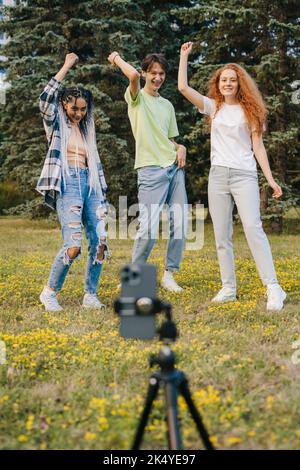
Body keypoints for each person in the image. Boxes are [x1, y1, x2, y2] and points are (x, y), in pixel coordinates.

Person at [178, 41, 286, 311]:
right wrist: (184, 57)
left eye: (232, 80)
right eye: (224, 80)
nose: (228, 83)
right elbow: (183, 88)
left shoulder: (251, 111)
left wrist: (270, 180)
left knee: (252, 227)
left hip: (244, 176)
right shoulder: (213, 107)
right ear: (218, 83)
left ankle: (274, 287)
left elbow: (258, 147)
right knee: (221, 235)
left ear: (240, 84)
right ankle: (228, 287)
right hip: (218, 177)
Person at [108, 51, 188, 292]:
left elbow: (168, 139)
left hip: (174, 168)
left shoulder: (167, 105)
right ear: (145, 73)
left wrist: (181, 146)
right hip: (150, 171)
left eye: (161, 73)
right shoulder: (136, 99)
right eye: (153, 73)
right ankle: (134, 280)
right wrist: (116, 59)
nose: (158, 77)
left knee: (181, 223)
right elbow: (131, 74)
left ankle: (170, 275)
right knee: (148, 228)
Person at [37, 53, 109, 311]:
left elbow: (95, 164)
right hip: (67, 183)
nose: (77, 113)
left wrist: (102, 193)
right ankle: (49, 292)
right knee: (74, 247)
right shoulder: (56, 124)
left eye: (82, 108)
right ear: (64, 106)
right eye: (73, 108)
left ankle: (90, 295)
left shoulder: (87, 129)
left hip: (90, 185)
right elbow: (45, 100)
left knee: (100, 242)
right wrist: (66, 66)